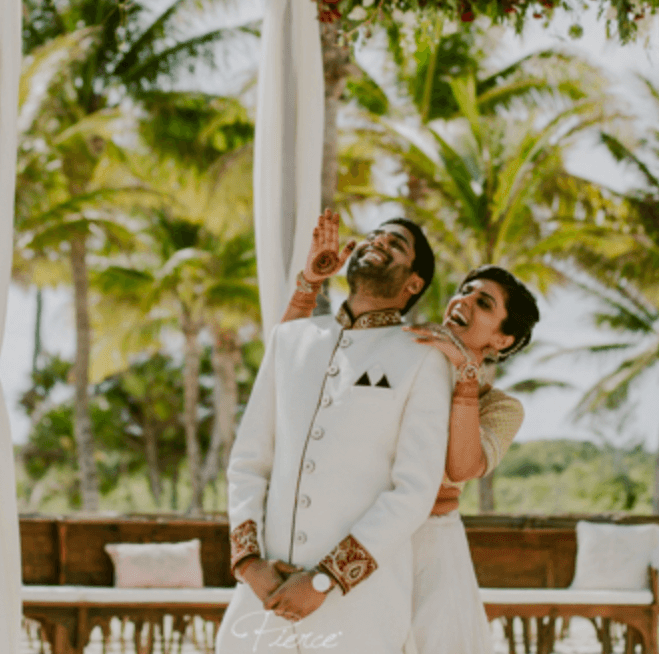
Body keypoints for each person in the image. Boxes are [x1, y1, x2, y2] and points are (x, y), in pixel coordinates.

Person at [280, 209, 539, 654]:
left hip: (431, 547)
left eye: (484, 304)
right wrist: (309, 286)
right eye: (465, 291)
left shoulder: (502, 408)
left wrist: (464, 376)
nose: (463, 302)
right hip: (360, 534)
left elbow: (462, 464)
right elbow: (292, 369)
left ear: (501, 339)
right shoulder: (406, 349)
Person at [219, 217, 453, 654]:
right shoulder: (290, 339)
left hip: (360, 607)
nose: (378, 240)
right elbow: (248, 461)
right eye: (374, 235)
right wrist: (249, 564)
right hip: (261, 596)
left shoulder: (424, 357)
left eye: (396, 242)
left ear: (414, 281)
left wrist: (326, 579)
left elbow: (414, 491)